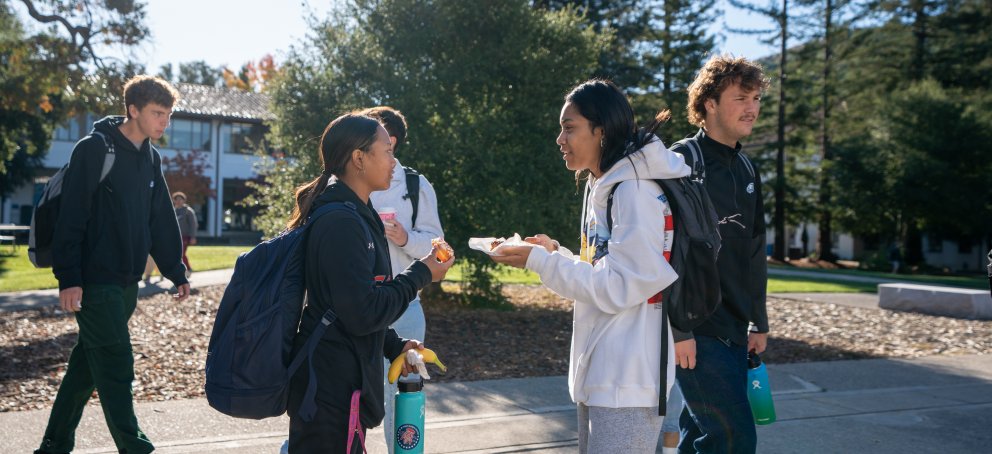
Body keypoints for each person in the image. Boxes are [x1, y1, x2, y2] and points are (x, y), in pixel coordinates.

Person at [492, 79, 688, 453]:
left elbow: (618, 287)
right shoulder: (603, 185)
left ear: (602, 130)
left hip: (629, 380)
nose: (559, 139)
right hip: (604, 374)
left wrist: (540, 261)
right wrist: (555, 255)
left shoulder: (634, 190)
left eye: (569, 128)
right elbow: (601, 272)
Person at [35, 75, 191, 454]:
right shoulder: (95, 149)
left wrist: (175, 271)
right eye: (157, 114)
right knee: (117, 365)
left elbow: (161, 217)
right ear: (133, 109)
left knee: (85, 370)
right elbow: (72, 217)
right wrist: (69, 278)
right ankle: (135, 447)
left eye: (168, 116)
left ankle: (54, 446)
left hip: (126, 283)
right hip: (93, 281)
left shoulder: (150, 158)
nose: (163, 123)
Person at [285, 112, 453, 453]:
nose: (394, 160)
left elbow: (351, 304)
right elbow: (362, 310)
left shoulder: (355, 214)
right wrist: (421, 273)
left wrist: (393, 346)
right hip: (329, 387)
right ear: (359, 159)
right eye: (386, 151)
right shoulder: (341, 222)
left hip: (341, 382)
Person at [676, 55, 770, 454]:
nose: (752, 107)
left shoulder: (747, 168)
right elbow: (667, 251)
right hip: (697, 326)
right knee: (734, 439)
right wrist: (680, 330)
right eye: (741, 97)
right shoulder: (680, 161)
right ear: (710, 103)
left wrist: (758, 321)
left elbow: (754, 249)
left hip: (734, 327)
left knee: (700, 436)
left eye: (756, 98)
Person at [362, 106, 445, 453]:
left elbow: (438, 246)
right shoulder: (345, 181)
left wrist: (405, 238)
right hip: (357, 306)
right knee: (351, 396)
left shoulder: (414, 184)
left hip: (405, 308)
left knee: (403, 400)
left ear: (390, 140)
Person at [172, 191, 198, 278]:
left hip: (185, 236)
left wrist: (193, 237)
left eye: (181, 199)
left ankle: (188, 269)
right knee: (175, 254)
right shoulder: (172, 211)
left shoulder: (188, 211)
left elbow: (193, 225)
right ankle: (180, 271)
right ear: (174, 200)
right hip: (174, 237)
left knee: (181, 254)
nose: (179, 201)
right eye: (177, 199)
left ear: (184, 200)